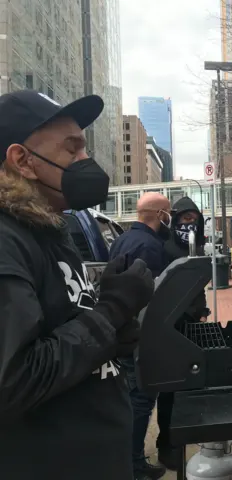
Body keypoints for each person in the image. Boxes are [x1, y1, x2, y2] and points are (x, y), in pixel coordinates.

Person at [0, 90, 154, 479]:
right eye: (72, 150)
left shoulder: (51, 229)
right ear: (22, 161)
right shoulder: (6, 240)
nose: (86, 161)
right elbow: (13, 381)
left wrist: (112, 335)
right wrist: (110, 313)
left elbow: (61, 334)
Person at [109, 192, 172, 480]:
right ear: (160, 214)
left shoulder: (122, 239)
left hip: (121, 330)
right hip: (140, 334)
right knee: (142, 400)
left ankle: (128, 460)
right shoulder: (149, 246)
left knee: (130, 398)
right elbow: (152, 298)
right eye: (168, 212)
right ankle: (134, 465)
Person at [156, 196, 209, 469]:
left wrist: (202, 311)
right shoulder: (167, 249)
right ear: (175, 220)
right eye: (184, 219)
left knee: (190, 381)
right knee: (171, 387)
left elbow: (198, 287)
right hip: (170, 324)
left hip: (191, 323)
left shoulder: (195, 247)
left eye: (193, 219)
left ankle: (184, 438)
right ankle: (168, 444)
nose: (189, 223)